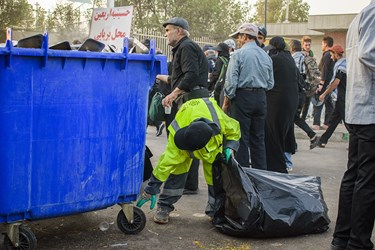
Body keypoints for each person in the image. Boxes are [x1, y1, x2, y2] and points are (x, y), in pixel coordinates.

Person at [137, 98, 240, 224]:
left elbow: (235, 129)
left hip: (211, 147)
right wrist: (152, 187)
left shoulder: (220, 122)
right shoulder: (178, 133)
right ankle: (164, 206)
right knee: (178, 170)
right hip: (189, 122)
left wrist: (230, 146)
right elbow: (165, 163)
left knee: (214, 176)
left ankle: (215, 209)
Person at [331, 2, 375, 249]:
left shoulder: (360, 17)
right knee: (367, 181)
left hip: (359, 108)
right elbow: (369, 53)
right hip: (370, 110)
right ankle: (358, 243)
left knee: (354, 176)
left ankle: (342, 238)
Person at [156, 17, 209, 195]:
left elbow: (191, 75)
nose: (166, 34)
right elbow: (177, 79)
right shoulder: (182, 48)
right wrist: (158, 76)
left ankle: (186, 185)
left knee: (186, 140)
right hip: (190, 98)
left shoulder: (186, 47)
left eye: (168, 30)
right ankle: (190, 184)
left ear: (179, 31)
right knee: (189, 141)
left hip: (192, 99)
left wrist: (173, 94)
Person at [222, 23, 274, 170]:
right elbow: (270, 83)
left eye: (239, 36)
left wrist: (226, 103)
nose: (238, 40)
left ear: (245, 36)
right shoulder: (265, 55)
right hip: (261, 97)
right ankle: (260, 176)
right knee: (258, 138)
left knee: (241, 138)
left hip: (243, 96)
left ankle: (243, 177)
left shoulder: (238, 54)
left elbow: (231, 82)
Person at [263, 36, 299, 173]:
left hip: (276, 102)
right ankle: (280, 166)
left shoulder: (274, 59)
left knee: (272, 136)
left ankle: (276, 169)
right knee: (281, 134)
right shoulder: (289, 58)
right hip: (290, 101)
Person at [289, 39, 321, 149]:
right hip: (303, 92)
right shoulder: (306, 58)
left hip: (294, 92)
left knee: (292, 118)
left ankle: (295, 144)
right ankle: (298, 142)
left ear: (292, 48)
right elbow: (314, 77)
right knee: (294, 117)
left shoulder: (292, 59)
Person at [316, 44, 347, 148]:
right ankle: (323, 140)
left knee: (347, 122)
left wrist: (324, 94)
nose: (330, 57)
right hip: (342, 98)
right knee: (334, 120)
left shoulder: (340, 66)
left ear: (335, 54)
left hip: (343, 98)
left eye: (331, 54)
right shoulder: (344, 63)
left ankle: (356, 141)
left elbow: (336, 82)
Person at [313, 36, 335, 130]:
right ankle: (327, 123)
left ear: (325, 44)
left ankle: (316, 124)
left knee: (318, 102)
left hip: (325, 83)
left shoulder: (326, 55)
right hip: (330, 83)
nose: (321, 45)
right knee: (329, 104)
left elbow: (325, 70)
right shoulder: (332, 54)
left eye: (322, 44)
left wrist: (321, 84)